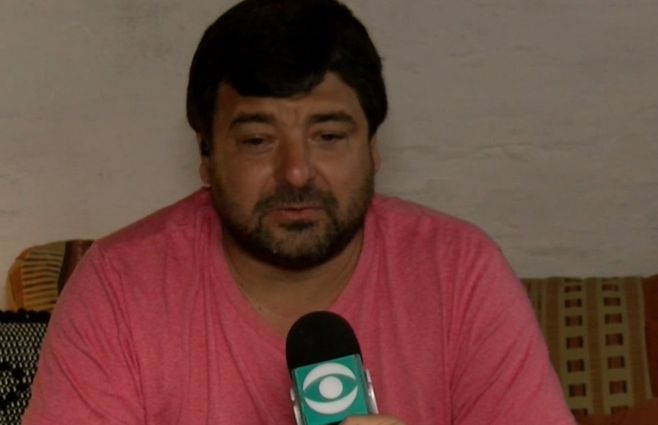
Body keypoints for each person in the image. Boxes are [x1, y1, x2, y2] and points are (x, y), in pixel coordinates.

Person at [22, 1, 576, 424]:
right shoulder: (119, 287)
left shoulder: (460, 273)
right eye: (257, 140)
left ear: (374, 150)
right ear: (206, 158)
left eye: (328, 136)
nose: (295, 172)